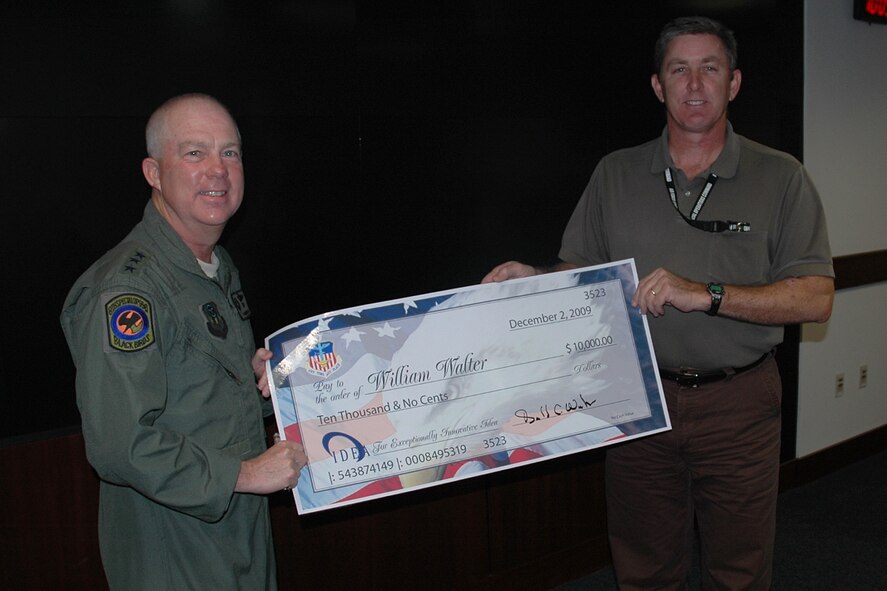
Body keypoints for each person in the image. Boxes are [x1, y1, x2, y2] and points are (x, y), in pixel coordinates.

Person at [484, 16, 834, 591]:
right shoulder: (615, 174)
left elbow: (816, 297)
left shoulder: (782, 177)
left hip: (739, 405)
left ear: (734, 83)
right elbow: (582, 275)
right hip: (637, 400)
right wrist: (535, 280)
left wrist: (706, 294)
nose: (694, 85)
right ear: (657, 86)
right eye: (679, 70)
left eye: (710, 69)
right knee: (644, 567)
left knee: (739, 569)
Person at [60, 93, 307, 590]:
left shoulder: (215, 266)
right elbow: (119, 443)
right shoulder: (126, 290)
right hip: (174, 544)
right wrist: (245, 475)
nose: (218, 170)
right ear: (153, 172)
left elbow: (201, 395)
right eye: (194, 153)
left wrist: (262, 382)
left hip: (237, 531)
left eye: (230, 153)